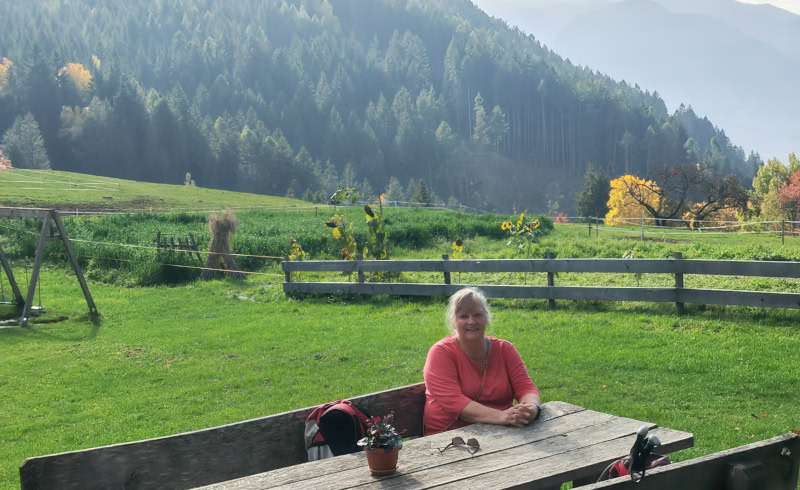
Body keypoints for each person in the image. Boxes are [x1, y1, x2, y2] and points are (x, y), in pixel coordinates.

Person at [423, 287, 541, 436]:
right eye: (463, 316)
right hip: (450, 437)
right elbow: (455, 403)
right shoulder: (440, 353)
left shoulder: (505, 349)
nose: (471, 321)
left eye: (477, 314)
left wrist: (531, 407)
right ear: (453, 321)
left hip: (502, 431)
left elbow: (526, 387)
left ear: (487, 317)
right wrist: (501, 416)